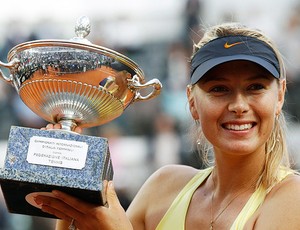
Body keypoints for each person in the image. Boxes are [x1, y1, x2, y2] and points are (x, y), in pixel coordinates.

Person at [34, 22, 300, 229]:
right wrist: (72, 189)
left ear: (279, 96)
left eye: (255, 87)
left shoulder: (292, 199)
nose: (238, 105)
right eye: (219, 89)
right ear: (192, 103)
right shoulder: (163, 187)